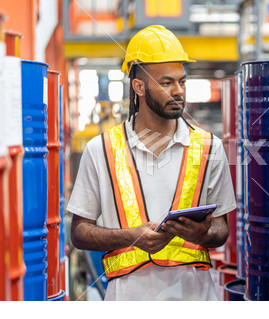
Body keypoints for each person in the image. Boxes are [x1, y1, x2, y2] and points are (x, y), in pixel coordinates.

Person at [69, 25, 236, 301]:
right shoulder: (101, 149)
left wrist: (203, 233)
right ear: (139, 87)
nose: (178, 91)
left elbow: (222, 230)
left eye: (182, 81)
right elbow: (79, 232)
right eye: (167, 82)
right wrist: (129, 236)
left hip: (196, 299)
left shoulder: (210, 147)